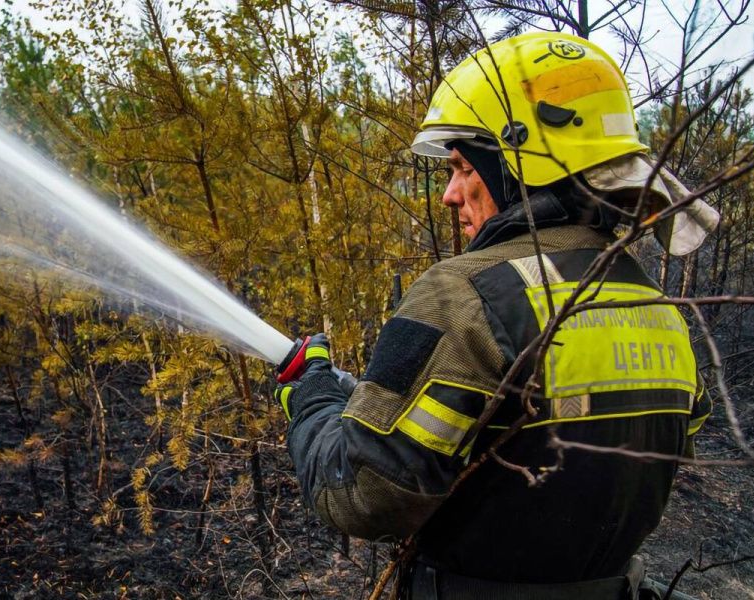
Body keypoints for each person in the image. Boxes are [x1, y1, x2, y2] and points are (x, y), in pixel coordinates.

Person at [273, 32, 716, 599]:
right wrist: (376, 404)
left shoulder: (466, 293)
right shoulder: (650, 300)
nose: (450, 195)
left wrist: (313, 399)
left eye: (463, 167)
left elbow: (362, 492)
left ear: (516, 165)